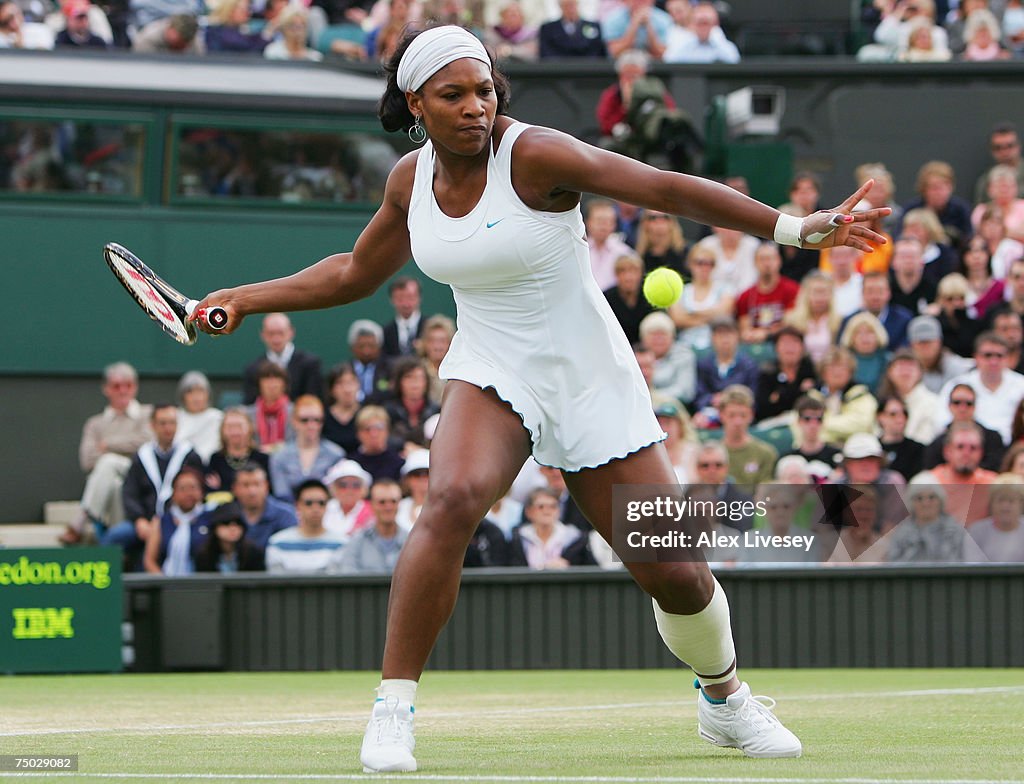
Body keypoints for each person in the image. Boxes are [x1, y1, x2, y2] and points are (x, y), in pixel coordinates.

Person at [189, 25, 890, 770]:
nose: (475, 107)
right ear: (416, 103)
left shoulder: (535, 154)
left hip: (588, 372)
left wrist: (793, 228)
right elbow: (354, 272)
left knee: (677, 571)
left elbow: (661, 187)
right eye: (453, 95)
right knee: (451, 496)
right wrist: (242, 297)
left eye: (484, 90)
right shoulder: (408, 181)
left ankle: (724, 699)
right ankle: (393, 710)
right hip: (493, 365)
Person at [101, 404, 204, 570]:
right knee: (114, 536)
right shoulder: (142, 456)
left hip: (179, 520)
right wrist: (139, 519)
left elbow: (198, 492)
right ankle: (103, 589)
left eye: (172, 423)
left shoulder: (189, 456)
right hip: (145, 521)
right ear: (153, 426)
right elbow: (130, 492)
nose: (168, 428)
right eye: (163, 423)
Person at [63, 362, 153, 545]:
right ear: (106, 389)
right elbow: (87, 460)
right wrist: (126, 446)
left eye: (128, 385)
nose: (123, 391)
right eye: (116, 386)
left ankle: (82, 518)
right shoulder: (94, 424)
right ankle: (118, 545)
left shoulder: (147, 414)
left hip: (141, 478)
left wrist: (108, 445)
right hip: (112, 483)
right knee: (115, 483)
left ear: (135, 387)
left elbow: (146, 443)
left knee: (108, 461)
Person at [935, 333, 1024, 446]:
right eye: (988, 355)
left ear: (1007, 358)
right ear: (976, 357)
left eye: (999, 355)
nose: (993, 361)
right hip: (970, 448)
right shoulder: (957, 385)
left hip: (1016, 449)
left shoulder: (1021, 385)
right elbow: (942, 422)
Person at [269, 395, 345, 503]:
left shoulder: (336, 454)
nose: (311, 425)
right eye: (304, 420)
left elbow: (336, 494)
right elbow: (281, 494)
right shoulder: (280, 457)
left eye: (317, 420)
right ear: (294, 421)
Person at [265, 479, 347, 573]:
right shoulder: (277, 543)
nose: (315, 508)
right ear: (297, 505)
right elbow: (276, 582)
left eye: (321, 503)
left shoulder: (341, 543)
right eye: (309, 503)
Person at [923, 383, 1005, 473]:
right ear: (949, 406)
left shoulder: (993, 439)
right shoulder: (938, 443)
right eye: (957, 403)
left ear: (975, 407)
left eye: (968, 403)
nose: (962, 408)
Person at [242, 313, 323, 404]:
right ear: (263, 335)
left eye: (281, 333)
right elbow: (250, 404)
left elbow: (313, 400)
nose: (276, 339)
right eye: (271, 333)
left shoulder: (309, 364)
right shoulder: (253, 369)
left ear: (291, 332)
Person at [692, 316, 758, 428]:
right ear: (712, 338)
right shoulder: (704, 365)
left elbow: (753, 397)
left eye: (729, 333)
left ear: (737, 337)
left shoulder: (748, 365)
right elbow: (699, 396)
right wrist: (711, 400)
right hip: (710, 412)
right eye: (720, 334)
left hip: (739, 414)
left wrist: (728, 400)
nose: (725, 339)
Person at [142, 467, 208, 575]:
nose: (188, 493)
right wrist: (165, 584)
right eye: (182, 488)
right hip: (166, 583)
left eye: (193, 487)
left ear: (201, 492)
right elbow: (149, 560)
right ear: (173, 494)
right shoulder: (161, 521)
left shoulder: (210, 517)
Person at [669, 243, 734, 353]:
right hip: (685, 347)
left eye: (710, 263)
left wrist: (691, 314)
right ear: (690, 264)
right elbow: (677, 319)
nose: (705, 267)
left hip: (714, 348)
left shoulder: (725, 288)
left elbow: (724, 313)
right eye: (700, 263)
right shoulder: (682, 290)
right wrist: (711, 317)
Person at [509, 487, 595, 568]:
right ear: (529, 512)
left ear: (559, 511)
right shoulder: (518, 539)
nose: (547, 511)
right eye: (541, 507)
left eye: (552, 506)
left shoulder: (575, 538)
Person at [930, 421, 998, 524]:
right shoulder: (931, 482)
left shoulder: (993, 483)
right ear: (947, 451)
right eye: (960, 447)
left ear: (981, 453)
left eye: (973, 448)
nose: (966, 453)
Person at [339, 478, 409, 573]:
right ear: (371, 504)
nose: (388, 507)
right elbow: (348, 573)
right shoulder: (357, 540)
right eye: (382, 502)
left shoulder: (410, 541)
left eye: (393, 501)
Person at [734, 242, 799, 344]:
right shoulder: (746, 296)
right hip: (754, 344)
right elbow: (744, 328)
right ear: (755, 263)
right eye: (762, 259)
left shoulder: (792, 290)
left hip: (782, 342)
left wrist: (766, 333)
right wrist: (749, 334)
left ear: (779, 261)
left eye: (770, 258)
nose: (767, 264)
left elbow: (790, 324)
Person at [754, 326, 817, 424]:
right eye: (785, 343)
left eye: (795, 342)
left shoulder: (810, 370)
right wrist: (799, 390)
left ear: (802, 347)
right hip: (771, 422)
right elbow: (763, 407)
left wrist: (779, 396)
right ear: (776, 348)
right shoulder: (767, 373)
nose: (790, 348)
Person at [876, 348, 938, 444]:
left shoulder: (933, 403)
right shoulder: (881, 401)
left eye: (910, 367)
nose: (905, 372)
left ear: (920, 373)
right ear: (889, 372)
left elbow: (926, 440)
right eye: (900, 366)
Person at [205, 406, 271, 493]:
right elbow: (212, 491)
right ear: (222, 430)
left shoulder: (262, 459)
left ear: (250, 428)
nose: (235, 432)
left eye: (239, 426)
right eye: (229, 427)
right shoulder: (216, 459)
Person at [639, 311, 697, 408]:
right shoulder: (637, 356)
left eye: (663, 334)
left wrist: (654, 397)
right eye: (653, 335)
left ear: (672, 337)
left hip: (675, 409)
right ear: (643, 338)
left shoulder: (684, 355)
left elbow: (685, 391)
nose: (658, 339)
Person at [907, 315, 975, 394]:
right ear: (911, 345)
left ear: (939, 342)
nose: (925, 347)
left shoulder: (954, 367)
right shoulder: (905, 368)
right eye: (921, 343)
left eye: (929, 342)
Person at [783, 272, 840, 364]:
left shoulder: (839, 321)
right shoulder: (791, 320)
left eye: (824, 292)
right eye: (815, 292)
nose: (820, 298)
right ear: (806, 294)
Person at [193, 501, 266, 572]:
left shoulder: (253, 553)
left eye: (238, 523)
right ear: (215, 527)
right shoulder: (204, 555)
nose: (233, 528)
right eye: (226, 523)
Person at [384, 358, 441, 447]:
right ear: (399, 382)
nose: (415, 383)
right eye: (409, 377)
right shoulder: (388, 410)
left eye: (419, 377)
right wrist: (404, 446)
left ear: (426, 382)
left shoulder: (436, 410)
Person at [967, 473, 1024, 562]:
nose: (1005, 506)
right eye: (1000, 500)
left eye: (1011, 501)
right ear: (991, 503)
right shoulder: (976, 531)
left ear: (1021, 504)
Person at [663, 1, 740, 63]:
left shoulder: (721, 41)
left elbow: (735, 61)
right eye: (700, 23)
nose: (703, 27)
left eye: (706, 23)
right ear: (693, 24)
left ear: (714, 25)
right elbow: (668, 61)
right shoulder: (682, 40)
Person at [785, 394, 841, 481]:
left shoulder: (837, 457)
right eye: (807, 419)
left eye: (819, 419)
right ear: (798, 422)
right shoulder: (789, 459)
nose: (813, 425)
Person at [603, 252, 654, 345]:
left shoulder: (651, 296)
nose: (628, 277)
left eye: (634, 271)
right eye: (622, 271)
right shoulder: (606, 297)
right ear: (616, 275)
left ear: (641, 273)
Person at [584, 198, 633, 292]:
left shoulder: (625, 253)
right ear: (588, 222)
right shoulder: (578, 250)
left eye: (608, 221)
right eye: (599, 220)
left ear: (614, 224)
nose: (604, 225)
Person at [175, 370, 223, 463]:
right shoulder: (175, 417)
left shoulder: (219, 418)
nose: (196, 397)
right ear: (182, 396)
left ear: (208, 395)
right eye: (190, 392)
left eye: (200, 391)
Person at [875, 394, 925, 481]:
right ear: (880, 417)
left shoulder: (918, 450)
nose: (900, 419)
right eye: (893, 414)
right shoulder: (872, 448)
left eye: (904, 414)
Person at [350, 405, 405, 481]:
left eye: (379, 428)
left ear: (387, 431)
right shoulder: (351, 464)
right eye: (367, 429)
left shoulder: (399, 464)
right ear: (358, 433)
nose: (373, 434)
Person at [322, 458, 375, 537]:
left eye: (356, 485)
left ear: (364, 489)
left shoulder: (373, 511)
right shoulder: (323, 508)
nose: (349, 490)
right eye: (343, 485)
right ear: (333, 488)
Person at [839, 311, 889, 394]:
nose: (864, 337)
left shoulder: (887, 360)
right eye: (858, 333)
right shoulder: (843, 361)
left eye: (870, 332)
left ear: (878, 335)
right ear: (851, 337)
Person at [974, 122, 1024, 205]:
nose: (1005, 152)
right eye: (998, 148)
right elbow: (981, 211)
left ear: (1018, 146)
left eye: (1009, 146)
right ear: (992, 151)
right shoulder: (986, 181)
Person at [602, 0, 671, 59]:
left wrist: (648, 25)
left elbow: (662, 54)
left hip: (657, 67)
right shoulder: (613, 19)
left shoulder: (664, 19)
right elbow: (615, 52)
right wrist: (634, 24)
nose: (640, 3)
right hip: (620, 67)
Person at [538, 0, 605, 59]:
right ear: (560, 7)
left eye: (572, 5)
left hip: (589, 69)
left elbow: (597, 51)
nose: (570, 9)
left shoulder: (593, 26)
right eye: (566, 6)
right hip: (558, 70)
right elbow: (546, 52)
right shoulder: (548, 29)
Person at [348, 319, 391, 403]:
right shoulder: (345, 370)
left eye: (371, 346)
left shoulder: (390, 370)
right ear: (352, 348)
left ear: (379, 347)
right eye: (361, 346)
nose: (366, 351)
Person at [635, 209, 688, 277]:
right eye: (653, 217)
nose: (659, 221)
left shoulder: (685, 255)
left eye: (665, 217)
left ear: (672, 222)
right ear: (645, 223)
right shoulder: (638, 258)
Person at [382, 276, 424, 358]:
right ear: (392, 300)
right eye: (400, 299)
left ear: (419, 298)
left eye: (410, 297)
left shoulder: (431, 327)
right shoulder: (385, 332)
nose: (406, 304)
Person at [132, 12, 204, 54]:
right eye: (178, 44)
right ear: (170, 28)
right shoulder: (147, 39)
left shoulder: (194, 40)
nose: (181, 48)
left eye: (184, 45)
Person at [396, 448, 429, 529]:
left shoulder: (444, 507)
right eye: (416, 474)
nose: (423, 478)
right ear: (407, 479)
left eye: (428, 473)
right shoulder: (398, 507)